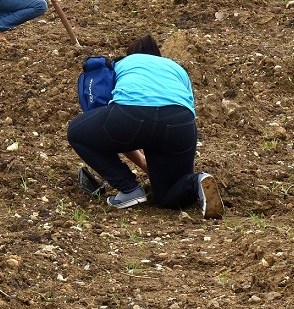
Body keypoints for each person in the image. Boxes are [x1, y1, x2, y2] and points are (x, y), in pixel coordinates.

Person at [66, 35, 225, 218]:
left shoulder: (121, 64)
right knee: (168, 195)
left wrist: (140, 164)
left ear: (132, 54)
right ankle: (197, 181)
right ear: (158, 55)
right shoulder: (177, 69)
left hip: (132, 114)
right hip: (180, 122)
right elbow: (186, 107)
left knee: (77, 132)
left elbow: (116, 127)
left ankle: (129, 189)